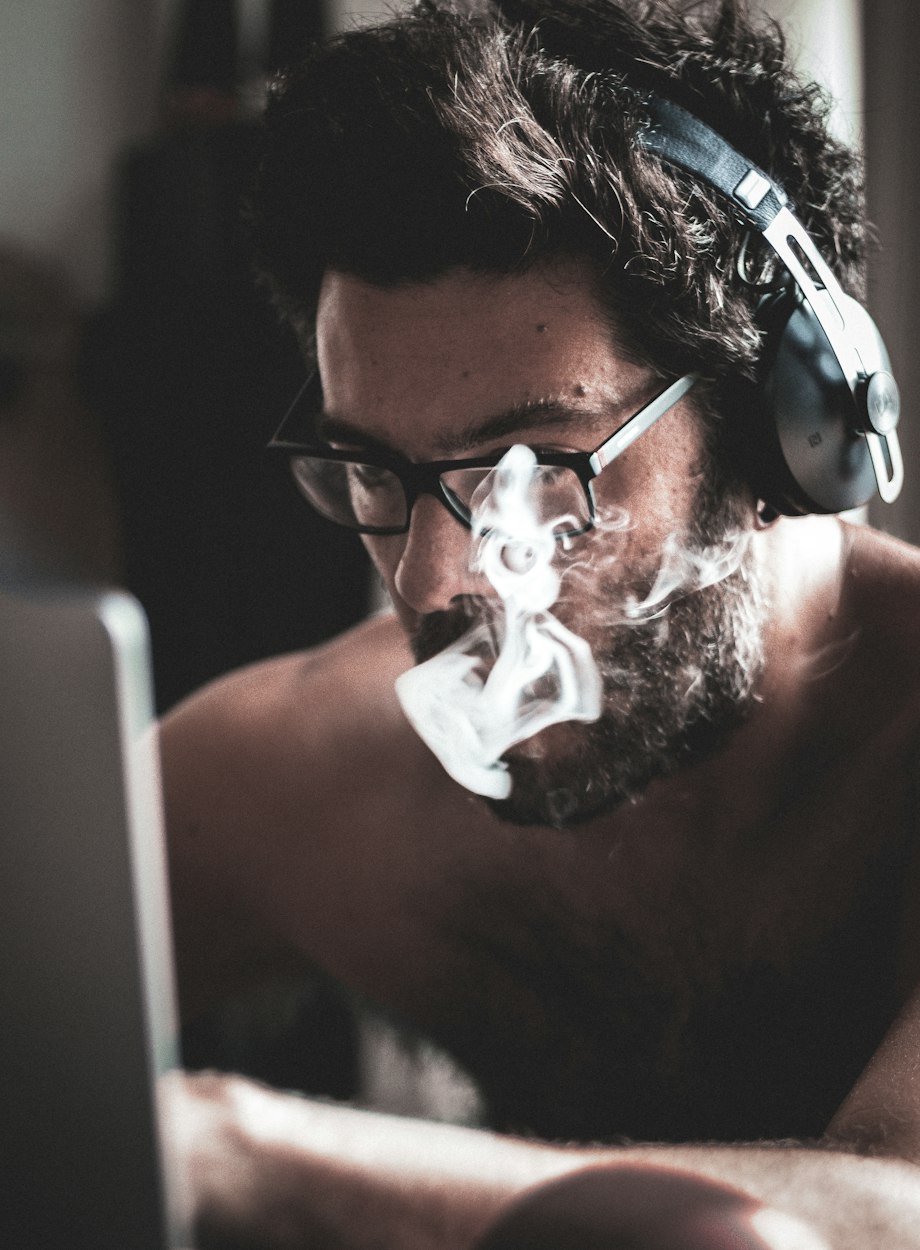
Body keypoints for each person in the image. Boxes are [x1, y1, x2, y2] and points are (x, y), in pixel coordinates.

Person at [159, 1, 920, 1245]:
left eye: (534, 468)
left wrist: (250, 1154)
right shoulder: (300, 777)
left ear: (784, 433)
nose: (433, 580)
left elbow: (891, 1215)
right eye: (374, 471)